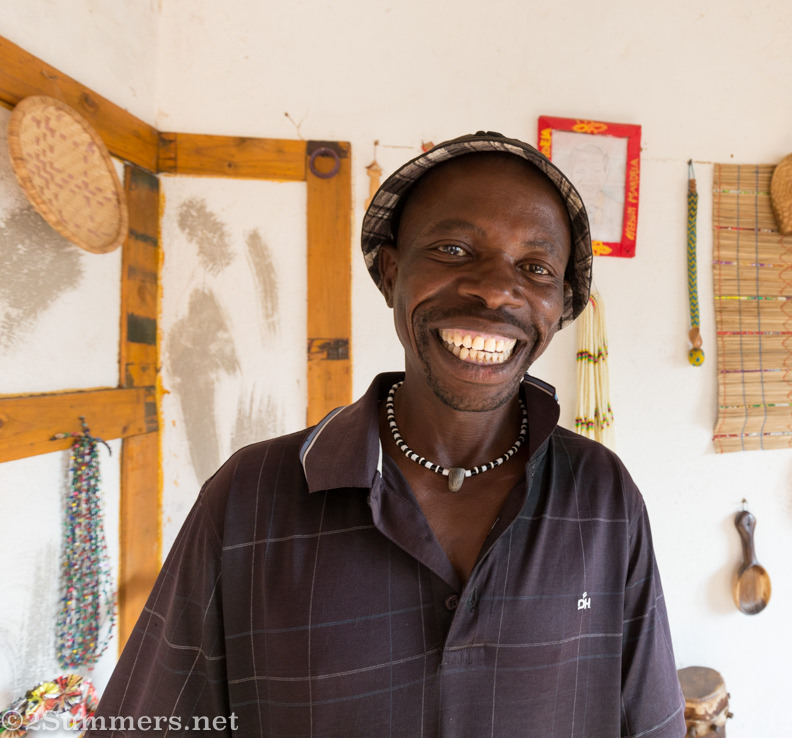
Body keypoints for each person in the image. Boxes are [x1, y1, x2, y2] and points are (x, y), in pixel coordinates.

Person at [89, 131, 685, 737]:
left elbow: (651, 721)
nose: (496, 288)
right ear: (392, 270)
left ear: (560, 303)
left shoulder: (602, 499)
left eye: (534, 268)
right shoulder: (252, 496)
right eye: (453, 249)